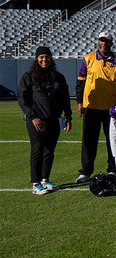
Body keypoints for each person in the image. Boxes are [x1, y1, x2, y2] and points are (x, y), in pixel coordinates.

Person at [17, 46, 72, 194]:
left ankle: (45, 180)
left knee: (49, 151)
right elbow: (22, 99)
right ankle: (35, 184)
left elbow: (65, 98)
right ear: (37, 59)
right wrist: (33, 117)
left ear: (51, 58)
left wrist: (68, 116)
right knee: (37, 149)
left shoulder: (58, 77)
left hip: (54, 119)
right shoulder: (28, 77)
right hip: (36, 120)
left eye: (47, 57)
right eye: (41, 57)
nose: (44, 59)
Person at [75, 32, 116, 183]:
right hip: (92, 107)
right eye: (100, 40)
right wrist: (79, 102)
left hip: (112, 109)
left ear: (111, 42)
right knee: (89, 141)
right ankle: (85, 172)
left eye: (106, 41)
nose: (103, 43)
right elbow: (80, 82)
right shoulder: (88, 59)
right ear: (98, 41)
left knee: (113, 141)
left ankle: (113, 169)